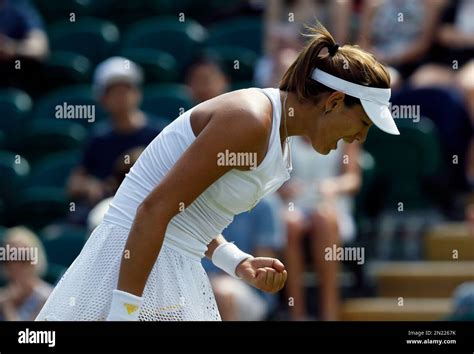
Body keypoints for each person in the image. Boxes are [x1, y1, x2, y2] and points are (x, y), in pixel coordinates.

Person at [36, 23, 399, 321]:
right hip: (135, 266)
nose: (360, 136)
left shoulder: (275, 136)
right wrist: (123, 315)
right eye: (363, 123)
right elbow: (153, 209)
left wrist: (237, 262)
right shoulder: (251, 121)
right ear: (334, 102)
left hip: (166, 264)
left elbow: (187, 215)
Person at [67, 57, 162, 222]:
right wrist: (91, 185)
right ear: (103, 99)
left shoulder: (158, 132)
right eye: (114, 92)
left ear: (137, 93)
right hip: (107, 210)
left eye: (126, 90)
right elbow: (74, 183)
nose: (122, 97)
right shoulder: (99, 137)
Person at [279, 137, 361, 320]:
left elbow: (353, 179)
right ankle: (297, 314)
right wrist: (282, 188)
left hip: (331, 207)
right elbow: (271, 180)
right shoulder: (285, 133)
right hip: (294, 207)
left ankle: (329, 312)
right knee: (289, 224)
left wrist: (334, 186)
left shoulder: (346, 135)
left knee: (323, 220)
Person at [202, 196, 285, 321]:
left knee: (222, 291)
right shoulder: (199, 200)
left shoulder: (265, 204)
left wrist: (238, 267)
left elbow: (262, 278)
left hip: (249, 295)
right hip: (197, 285)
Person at [0, 227, 52, 321]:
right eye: (9, 258)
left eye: (22, 257)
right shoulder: (2, 295)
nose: (15, 266)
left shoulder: (48, 299)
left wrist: (7, 306)